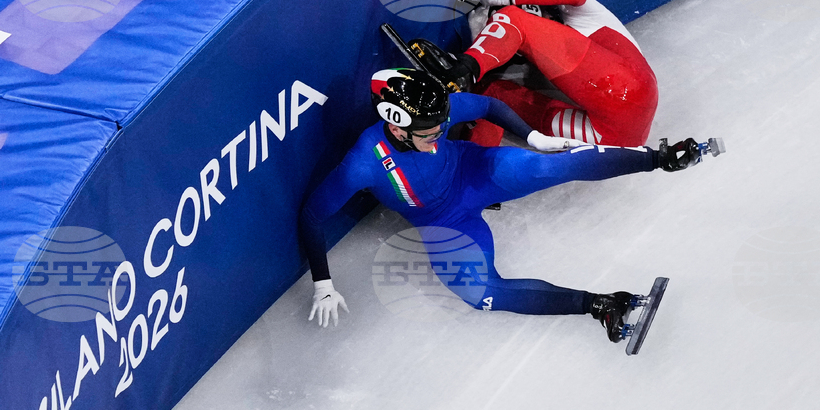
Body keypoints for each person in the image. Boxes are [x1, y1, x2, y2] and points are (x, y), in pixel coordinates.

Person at [298, 68, 703, 342]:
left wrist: (532, 137)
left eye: (442, 128)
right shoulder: (361, 163)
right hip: (443, 223)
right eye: (427, 135)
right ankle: (600, 305)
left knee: (548, 168)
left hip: (475, 171)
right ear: (395, 127)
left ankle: (658, 158)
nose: (437, 138)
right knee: (479, 293)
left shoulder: (434, 110)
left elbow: (489, 106)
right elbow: (312, 217)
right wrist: (322, 284)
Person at [423, 0, 658, 149]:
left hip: (627, 88)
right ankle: (470, 170)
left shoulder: (580, 14)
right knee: (492, 97)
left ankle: (467, 68)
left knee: (515, 20)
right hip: (625, 140)